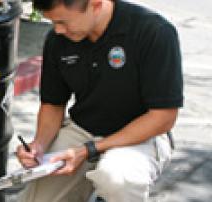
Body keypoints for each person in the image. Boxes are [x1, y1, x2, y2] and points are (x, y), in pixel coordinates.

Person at [16, 0, 183, 201]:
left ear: (96, 4)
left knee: (117, 180)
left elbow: (163, 117)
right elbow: (53, 104)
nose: (58, 30)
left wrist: (90, 150)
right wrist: (38, 146)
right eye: (53, 23)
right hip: (83, 130)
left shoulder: (154, 32)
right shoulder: (58, 39)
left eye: (63, 22)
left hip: (141, 136)